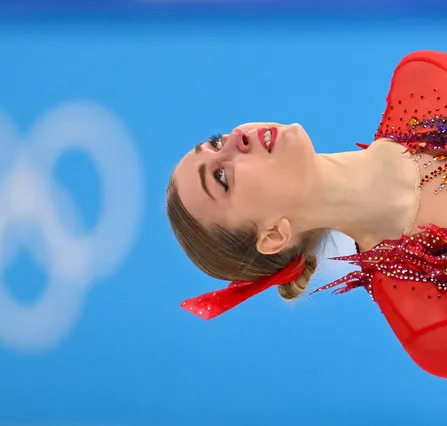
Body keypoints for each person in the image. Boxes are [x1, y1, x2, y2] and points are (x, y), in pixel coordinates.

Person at [166, 50, 447, 378]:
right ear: (273, 235)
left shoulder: (427, 82)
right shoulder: (427, 322)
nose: (236, 138)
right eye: (221, 178)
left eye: (216, 142)